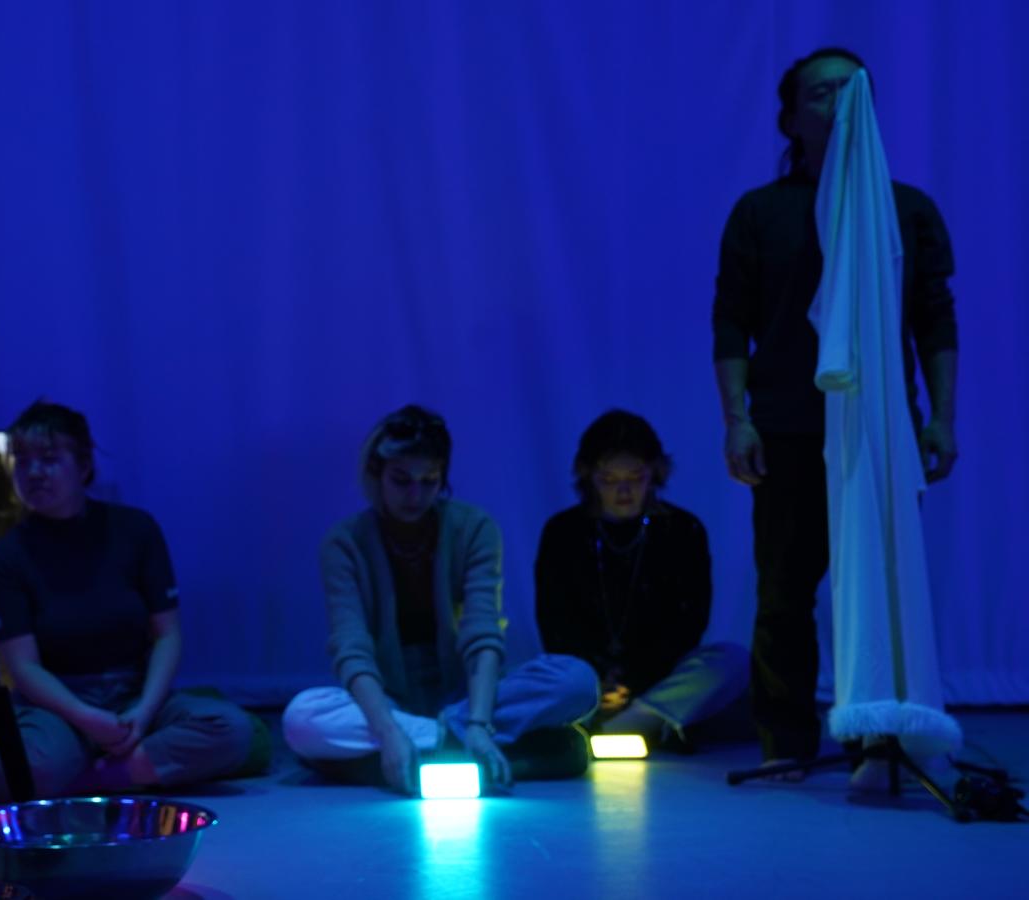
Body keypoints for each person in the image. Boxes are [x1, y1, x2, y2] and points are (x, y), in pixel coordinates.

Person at [712, 48, 959, 771]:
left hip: (881, 430)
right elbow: (731, 322)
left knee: (880, 582)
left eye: (855, 90)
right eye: (823, 92)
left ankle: (878, 733)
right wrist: (737, 419)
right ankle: (786, 741)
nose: (842, 102)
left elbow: (935, 321)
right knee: (785, 593)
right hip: (788, 426)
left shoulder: (907, 210)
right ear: (791, 118)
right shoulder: (761, 212)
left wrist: (941, 417)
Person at [0, 401, 258, 802]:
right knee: (34, 763)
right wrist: (87, 719)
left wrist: (142, 714)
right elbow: (24, 667)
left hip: (134, 696)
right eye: (22, 460)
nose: (34, 472)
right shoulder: (9, 555)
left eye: (49, 458)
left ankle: (96, 777)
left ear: (83, 464)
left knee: (232, 729)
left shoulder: (136, 530)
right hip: (58, 710)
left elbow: (168, 635)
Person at [282, 405, 598, 794]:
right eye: (401, 480)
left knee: (577, 681)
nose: (415, 495)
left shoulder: (474, 528)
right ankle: (461, 746)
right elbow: (352, 650)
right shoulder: (345, 543)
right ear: (377, 474)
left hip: (464, 697)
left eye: (429, 481)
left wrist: (478, 723)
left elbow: (482, 634)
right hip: (390, 702)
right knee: (302, 717)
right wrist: (389, 730)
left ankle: (425, 749)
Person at [535, 410, 746, 750]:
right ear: (589, 477)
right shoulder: (563, 532)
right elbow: (554, 622)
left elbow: (690, 623)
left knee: (730, 661)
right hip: (585, 681)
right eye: (609, 479)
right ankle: (643, 726)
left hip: (657, 681)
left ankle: (616, 728)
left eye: (636, 477)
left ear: (654, 473)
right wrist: (599, 679)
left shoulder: (683, 530)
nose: (624, 490)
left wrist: (635, 680)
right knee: (552, 679)